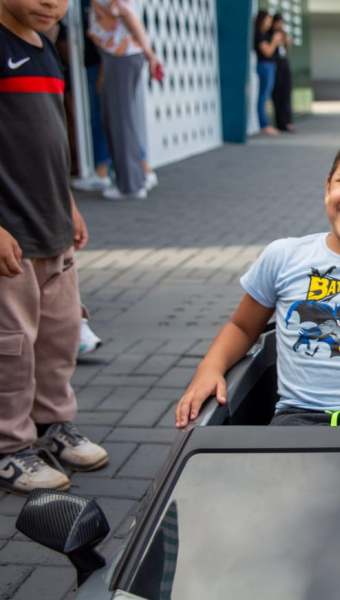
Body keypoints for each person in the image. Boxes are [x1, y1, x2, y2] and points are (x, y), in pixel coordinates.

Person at [175, 128, 340, 428]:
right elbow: (241, 327)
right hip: (294, 418)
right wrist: (210, 368)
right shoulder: (283, 257)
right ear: (328, 187)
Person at [0, 0, 109, 495]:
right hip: (11, 238)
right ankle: (9, 447)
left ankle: (51, 426)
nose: (52, 3)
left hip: (52, 227)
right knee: (12, 349)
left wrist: (68, 203)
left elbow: (51, 142)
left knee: (60, 337)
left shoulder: (46, 48)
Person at [89, 0, 163, 200]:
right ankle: (136, 178)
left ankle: (132, 184)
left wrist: (149, 53)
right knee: (116, 120)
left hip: (122, 55)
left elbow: (129, 16)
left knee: (120, 121)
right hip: (117, 55)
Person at [254, 10, 282, 136]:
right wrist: (275, 41)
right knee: (263, 96)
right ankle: (264, 125)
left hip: (270, 66)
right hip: (264, 66)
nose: (270, 23)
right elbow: (267, 52)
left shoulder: (266, 34)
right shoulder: (259, 34)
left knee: (266, 96)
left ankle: (265, 124)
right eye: (268, 20)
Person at [270, 13, 293, 133]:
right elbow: (269, 51)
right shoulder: (270, 34)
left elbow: (285, 51)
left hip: (284, 64)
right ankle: (280, 122)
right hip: (275, 65)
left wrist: (287, 42)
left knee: (286, 93)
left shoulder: (282, 34)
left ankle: (288, 121)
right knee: (277, 94)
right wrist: (275, 41)